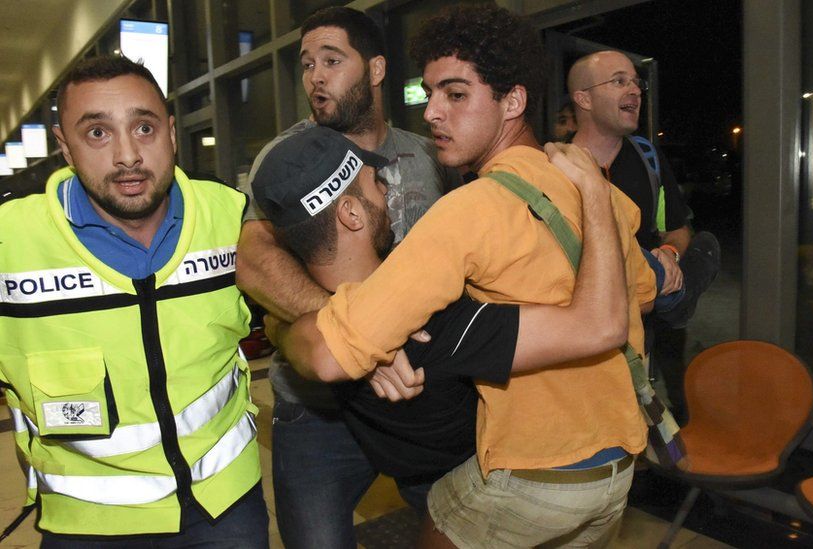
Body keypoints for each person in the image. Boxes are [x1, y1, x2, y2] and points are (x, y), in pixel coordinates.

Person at [276, 5, 659, 547]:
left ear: (513, 102)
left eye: (455, 95)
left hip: (534, 471)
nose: (432, 112)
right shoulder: (592, 188)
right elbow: (641, 297)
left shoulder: (469, 211)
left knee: (438, 518)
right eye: (430, 93)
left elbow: (327, 356)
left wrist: (284, 329)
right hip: (616, 469)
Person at [252, 124, 632, 543]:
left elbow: (305, 339)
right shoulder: (436, 322)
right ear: (351, 214)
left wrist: (287, 327)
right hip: (458, 472)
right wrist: (595, 192)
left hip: (399, 462)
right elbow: (596, 325)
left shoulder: (303, 315)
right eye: (375, 183)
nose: (387, 191)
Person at [0, 56, 266, 546]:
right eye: (97, 133)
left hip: (225, 505)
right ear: (65, 146)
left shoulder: (229, 215)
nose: (128, 155)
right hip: (86, 523)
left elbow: (301, 307)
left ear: (171, 132)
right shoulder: (10, 243)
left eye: (144, 128)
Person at [234, 7, 460, 547]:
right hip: (318, 409)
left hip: (417, 394)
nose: (316, 76)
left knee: (463, 530)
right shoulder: (288, 157)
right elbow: (252, 259)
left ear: (376, 69)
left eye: (332, 60)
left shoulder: (427, 155)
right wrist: (360, 337)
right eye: (307, 63)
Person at [569, 50, 721, 419]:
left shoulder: (648, 158)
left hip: (642, 338)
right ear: (584, 98)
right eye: (619, 81)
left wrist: (669, 253)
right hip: (585, 339)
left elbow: (677, 230)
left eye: (636, 82)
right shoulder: (554, 167)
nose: (635, 90)